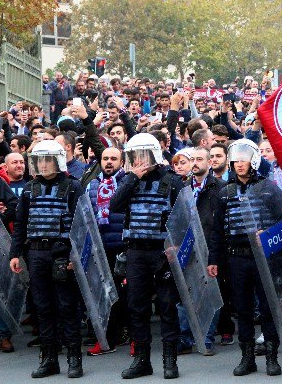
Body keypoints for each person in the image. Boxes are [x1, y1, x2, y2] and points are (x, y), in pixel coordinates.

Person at [208, 139, 282, 377]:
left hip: (264, 257)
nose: (238, 164)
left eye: (242, 159)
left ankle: (272, 357)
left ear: (253, 160)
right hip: (236, 259)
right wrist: (214, 259)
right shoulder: (224, 193)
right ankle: (247, 358)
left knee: (267, 307)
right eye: (235, 160)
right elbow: (217, 231)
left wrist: (269, 232)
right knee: (242, 309)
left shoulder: (269, 187)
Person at [109, 133, 185, 379]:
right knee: (136, 306)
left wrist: (176, 247)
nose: (138, 160)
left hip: (162, 252)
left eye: (142, 155)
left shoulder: (172, 181)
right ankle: (142, 359)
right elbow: (114, 206)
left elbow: (184, 218)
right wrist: (133, 178)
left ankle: (169, 360)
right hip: (135, 251)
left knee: (166, 305)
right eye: (134, 156)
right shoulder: (128, 180)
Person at [9, 139, 85, 379]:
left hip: (62, 253)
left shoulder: (73, 187)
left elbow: (83, 225)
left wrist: (76, 255)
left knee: (67, 306)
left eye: (46, 160)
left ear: (58, 160)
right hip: (35, 253)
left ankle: (74, 359)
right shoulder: (30, 189)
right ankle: (49, 359)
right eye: (39, 160)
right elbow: (20, 223)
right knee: (43, 308)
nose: (42, 165)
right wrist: (15, 253)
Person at [176, 146, 226, 356]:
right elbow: (177, 218)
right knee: (185, 295)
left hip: (209, 248)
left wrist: (215, 253)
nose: (195, 163)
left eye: (199, 159)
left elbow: (220, 224)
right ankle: (186, 337)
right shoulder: (184, 188)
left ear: (208, 163)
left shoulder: (220, 188)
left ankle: (206, 338)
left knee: (209, 294)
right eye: (192, 159)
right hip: (187, 248)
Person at [84, 147, 128, 356]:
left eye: (113, 158)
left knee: (125, 295)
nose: (109, 162)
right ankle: (108, 336)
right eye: (105, 158)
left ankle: (127, 334)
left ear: (121, 162)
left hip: (122, 247)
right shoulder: (92, 185)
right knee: (105, 294)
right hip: (100, 248)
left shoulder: (127, 182)